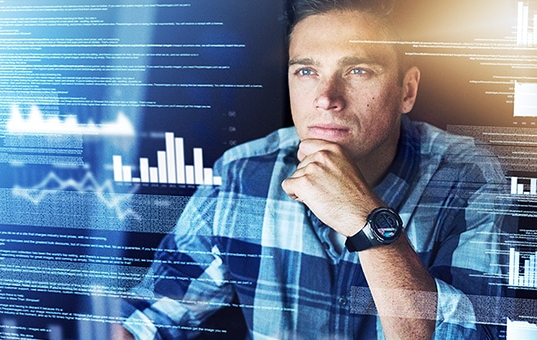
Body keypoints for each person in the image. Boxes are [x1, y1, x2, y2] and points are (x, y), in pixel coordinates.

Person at [113, 0, 511, 338]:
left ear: (407, 91)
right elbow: (149, 319)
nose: (326, 98)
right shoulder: (242, 173)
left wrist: (368, 221)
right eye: (306, 71)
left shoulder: (468, 177)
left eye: (358, 71)